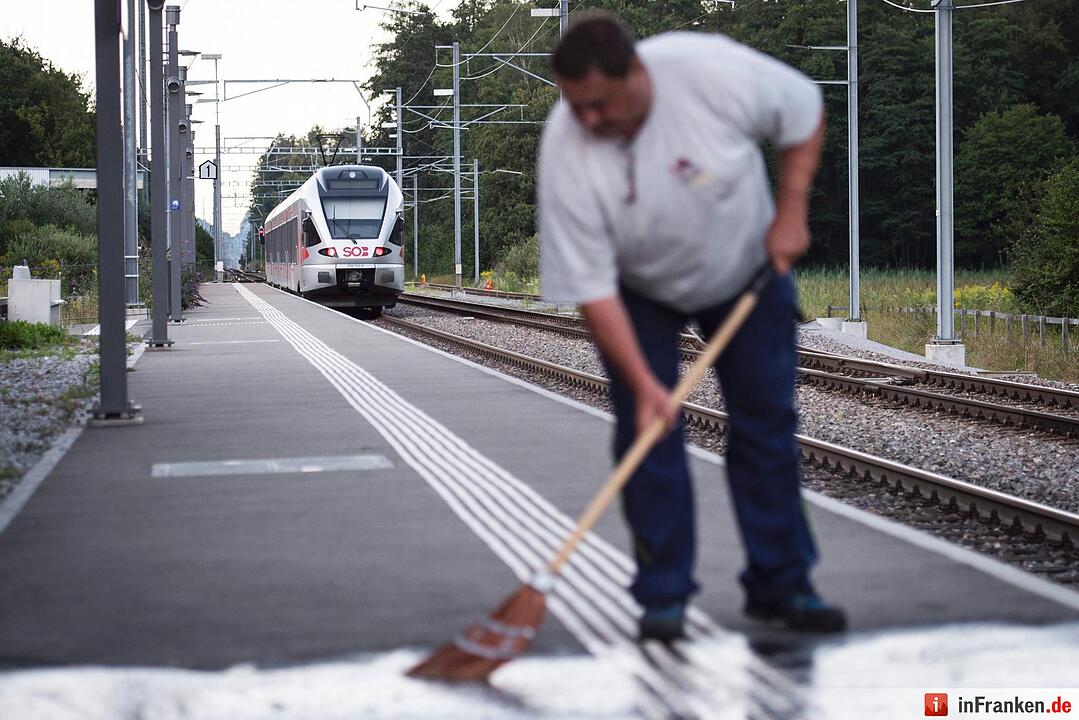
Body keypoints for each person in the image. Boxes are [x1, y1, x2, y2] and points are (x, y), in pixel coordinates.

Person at [537, 14, 846, 641]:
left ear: (636, 73)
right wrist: (645, 387)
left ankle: (783, 584)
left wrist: (791, 212)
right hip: (638, 289)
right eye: (576, 106)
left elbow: (804, 110)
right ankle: (663, 596)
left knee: (766, 426)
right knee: (647, 430)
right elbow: (592, 289)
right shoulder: (566, 145)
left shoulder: (706, 70)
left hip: (747, 273)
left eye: (599, 104)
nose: (588, 120)